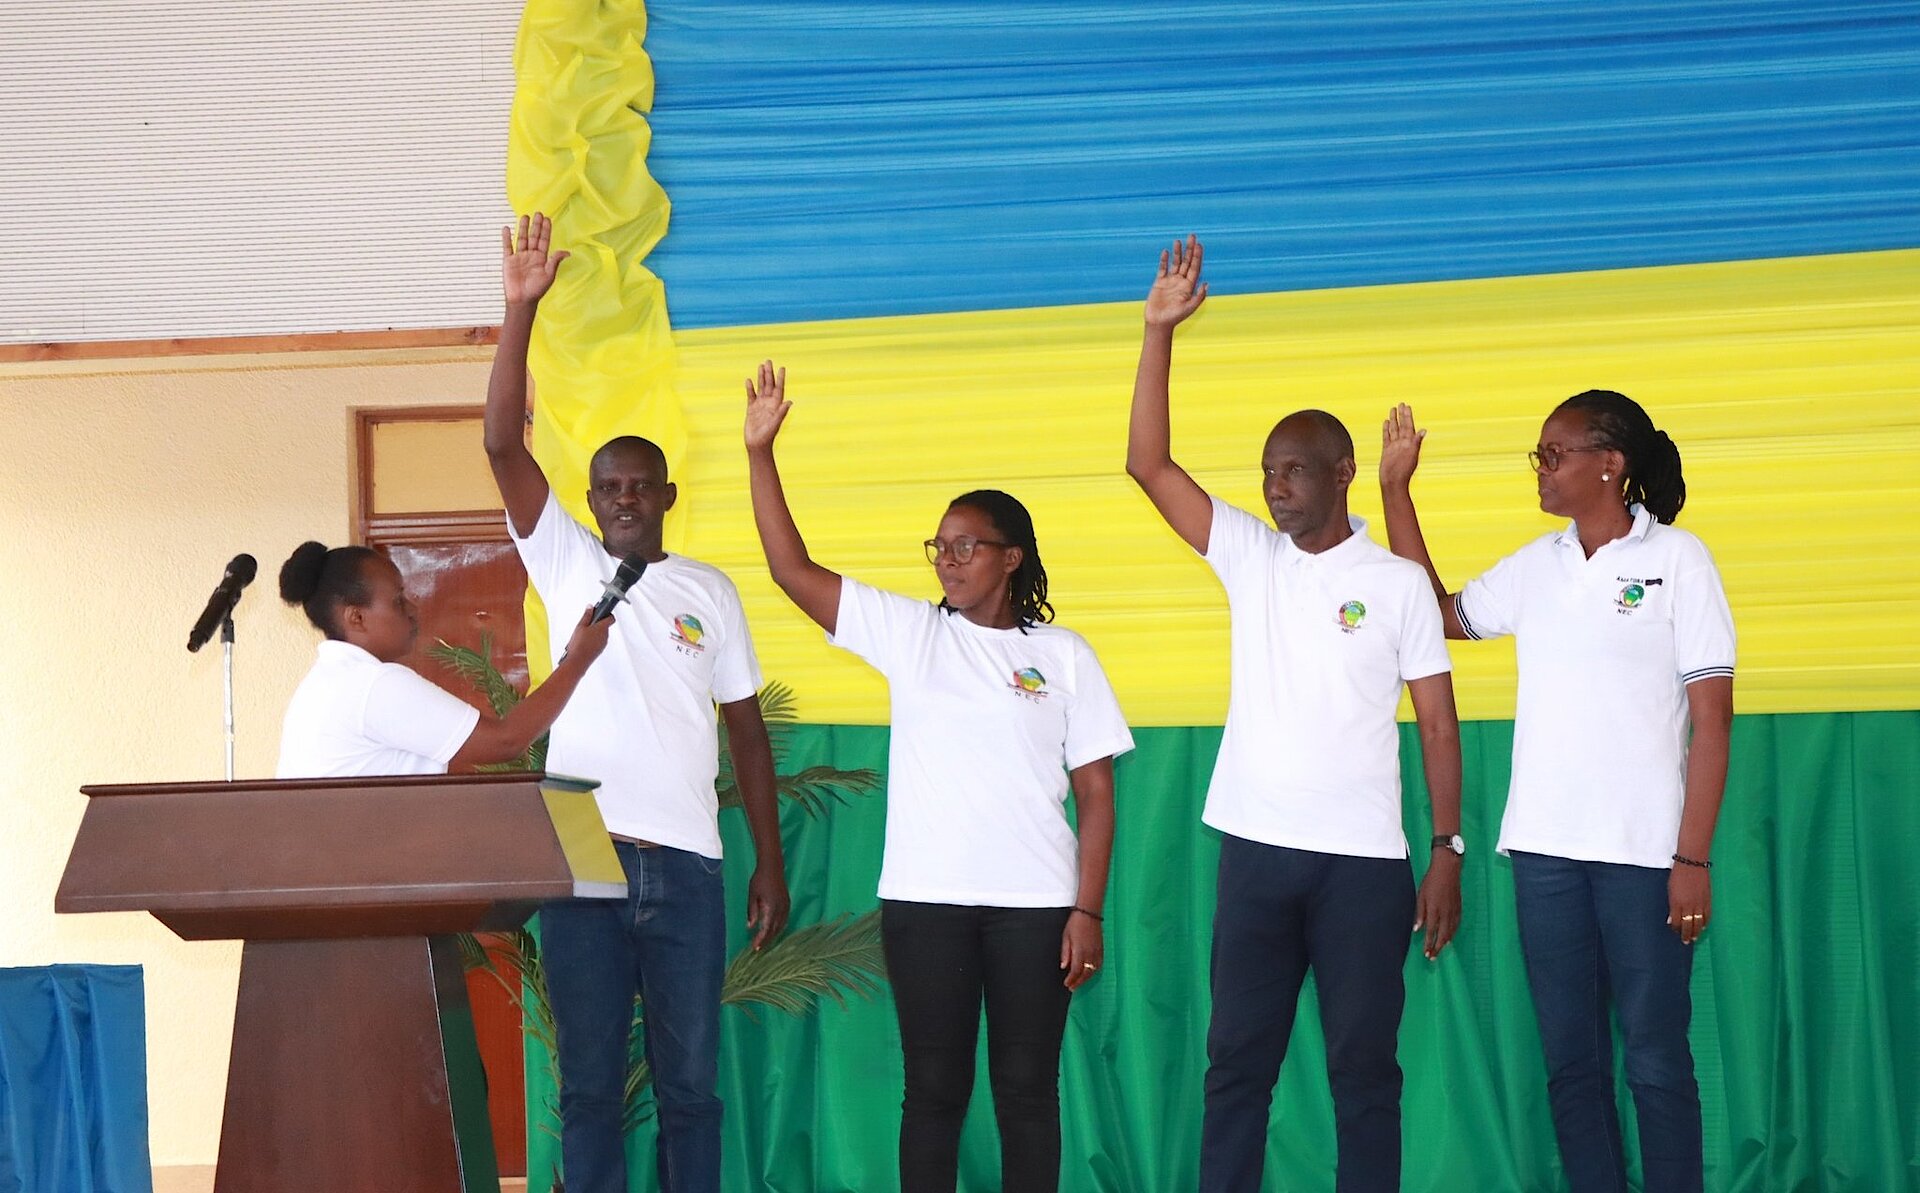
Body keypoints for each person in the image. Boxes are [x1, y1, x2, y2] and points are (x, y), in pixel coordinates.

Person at [741, 360, 1134, 1193]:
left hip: (1037, 907)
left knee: (1027, 1096)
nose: (947, 561)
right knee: (933, 1095)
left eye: (965, 546)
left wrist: (1087, 909)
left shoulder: (1064, 656)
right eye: (939, 547)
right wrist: (759, 455)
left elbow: (1097, 794)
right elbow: (791, 571)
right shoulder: (912, 634)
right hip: (926, 905)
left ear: (1011, 557)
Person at [1126, 237, 1465, 1193]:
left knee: (1365, 1075)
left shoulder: (1396, 584)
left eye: (1294, 471)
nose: (1275, 487)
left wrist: (1447, 848)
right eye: (1269, 471)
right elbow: (1148, 464)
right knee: (1237, 1066)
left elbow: (1439, 725)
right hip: (1256, 854)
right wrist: (1158, 333)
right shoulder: (1251, 555)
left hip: (1363, 865)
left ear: (1342, 471)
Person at [482, 213, 790, 1193]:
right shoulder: (565, 559)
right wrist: (521, 309)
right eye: (608, 486)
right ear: (591, 499)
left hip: (689, 861)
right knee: (587, 1088)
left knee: (691, 1087)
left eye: (639, 485)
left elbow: (747, 735)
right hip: (581, 845)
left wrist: (768, 860)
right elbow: (500, 443)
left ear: (666, 495)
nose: (623, 498)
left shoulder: (712, 591)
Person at [1379, 394, 1733, 1193]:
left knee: (1655, 1059)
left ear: (1610, 462)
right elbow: (1436, 614)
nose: (1540, 468)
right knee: (1572, 1063)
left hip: (1646, 856)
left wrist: (1692, 858)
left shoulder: (1680, 561)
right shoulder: (1535, 565)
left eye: (1553, 453)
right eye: (1538, 454)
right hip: (1544, 854)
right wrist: (1397, 491)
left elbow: (1713, 720)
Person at [274, 540, 610, 778]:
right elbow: (505, 741)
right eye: (398, 600)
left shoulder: (327, 682)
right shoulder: (373, 684)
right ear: (356, 618)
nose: (413, 608)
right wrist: (577, 661)